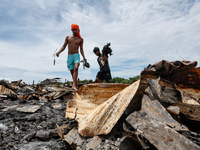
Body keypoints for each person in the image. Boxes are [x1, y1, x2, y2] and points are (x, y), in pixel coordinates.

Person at [56, 23, 87, 91]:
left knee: (76, 68)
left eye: (76, 30)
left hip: (76, 55)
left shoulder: (80, 39)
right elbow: (64, 46)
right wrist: (58, 52)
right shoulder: (68, 37)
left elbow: (81, 49)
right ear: (72, 30)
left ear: (78, 30)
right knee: (72, 72)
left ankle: (73, 85)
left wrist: (84, 57)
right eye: (73, 30)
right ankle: (75, 85)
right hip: (69, 56)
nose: (75, 31)